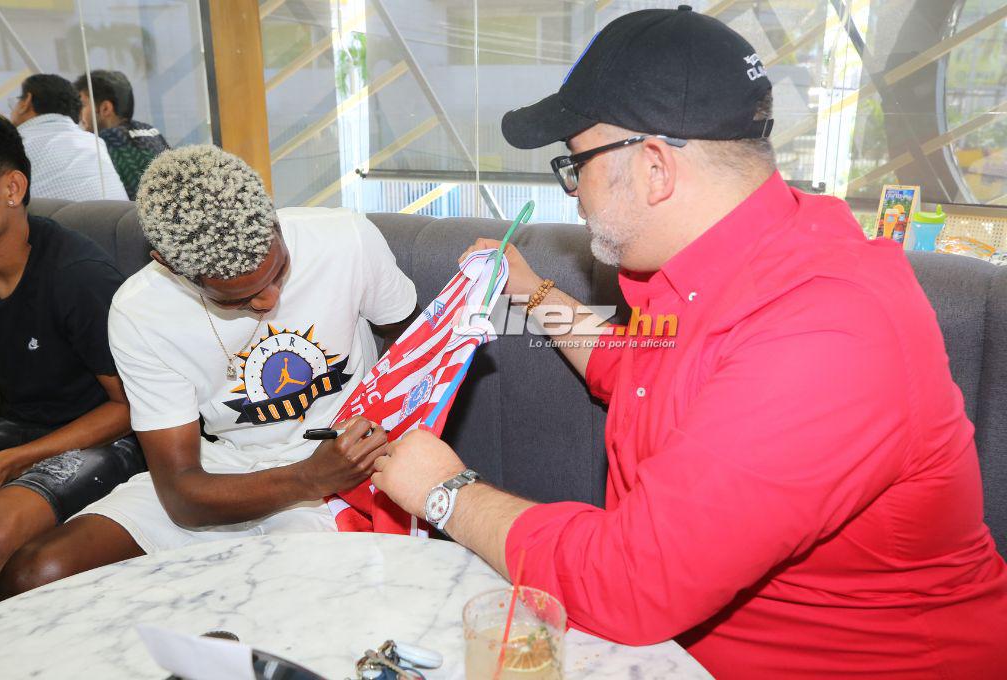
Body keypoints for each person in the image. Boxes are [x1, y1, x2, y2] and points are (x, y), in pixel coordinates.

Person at [370, 7, 1007, 678]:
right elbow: (635, 368)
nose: (573, 196)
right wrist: (531, 292)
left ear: (653, 168)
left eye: (573, 165)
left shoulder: (824, 330)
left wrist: (446, 491)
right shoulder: (731, 263)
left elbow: (631, 581)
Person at [0, 145, 418, 598]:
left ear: (274, 218)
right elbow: (182, 495)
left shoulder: (344, 240)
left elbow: (418, 343)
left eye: (278, 272)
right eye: (237, 299)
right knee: (35, 575)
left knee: (289, 596)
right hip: (223, 474)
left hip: (341, 470)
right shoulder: (141, 312)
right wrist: (306, 477)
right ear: (170, 265)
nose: (268, 300)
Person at [0, 108, 143, 606]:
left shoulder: (79, 275)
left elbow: (130, 408)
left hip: (109, 436)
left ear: (12, 188)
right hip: (24, 426)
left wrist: (10, 460)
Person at [8, 74, 128, 202]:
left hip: (61, 221)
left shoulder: (14, 145)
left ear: (26, 101)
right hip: (119, 219)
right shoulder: (95, 142)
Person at [74, 70, 170, 200]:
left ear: (105, 108)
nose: (79, 114)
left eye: (83, 105)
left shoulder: (103, 142)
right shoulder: (151, 131)